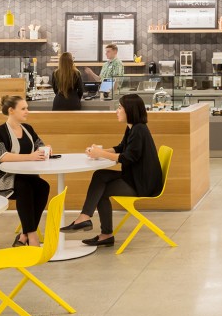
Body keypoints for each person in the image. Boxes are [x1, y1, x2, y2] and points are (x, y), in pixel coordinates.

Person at [60, 94, 164, 247]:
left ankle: (94, 225)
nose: (117, 111)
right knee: (100, 176)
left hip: (142, 184)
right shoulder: (133, 128)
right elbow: (121, 147)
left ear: (130, 110)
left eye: (120, 108)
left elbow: (128, 158)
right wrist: (100, 150)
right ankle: (91, 223)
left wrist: (101, 154)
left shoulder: (139, 130)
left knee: (100, 190)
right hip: (136, 177)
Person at [0, 95, 52, 247]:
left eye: (27, 108)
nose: (27, 112)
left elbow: (39, 145)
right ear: (11, 110)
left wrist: (47, 149)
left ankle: (23, 235)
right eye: (23, 109)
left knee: (43, 186)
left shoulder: (28, 129)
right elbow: (0, 156)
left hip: (24, 176)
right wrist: (30, 157)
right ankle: (32, 236)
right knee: (25, 188)